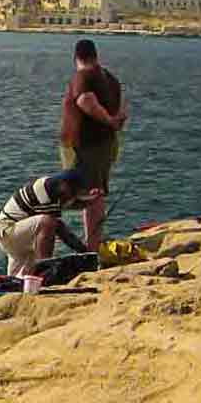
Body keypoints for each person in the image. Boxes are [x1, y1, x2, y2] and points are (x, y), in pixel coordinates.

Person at [59, 38, 128, 249]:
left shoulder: (83, 75)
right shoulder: (110, 78)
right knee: (95, 192)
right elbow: (123, 109)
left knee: (89, 193)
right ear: (96, 55)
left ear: (76, 57)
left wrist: (108, 120)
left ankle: (91, 246)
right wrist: (115, 123)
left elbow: (85, 100)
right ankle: (93, 242)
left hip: (86, 144)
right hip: (105, 142)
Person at [0, 169, 98, 282]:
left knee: (17, 281)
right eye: (74, 191)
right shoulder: (45, 194)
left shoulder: (53, 188)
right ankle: (45, 268)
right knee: (48, 223)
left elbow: (67, 204)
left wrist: (88, 201)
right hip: (7, 231)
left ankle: (26, 279)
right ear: (64, 185)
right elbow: (57, 227)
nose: (73, 195)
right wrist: (83, 250)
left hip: (17, 234)